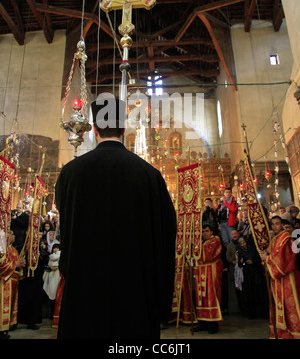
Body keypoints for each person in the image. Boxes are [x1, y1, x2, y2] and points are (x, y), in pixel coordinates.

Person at [55, 97, 177, 339]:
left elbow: (65, 230)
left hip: (84, 293)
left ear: (95, 128)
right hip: (135, 297)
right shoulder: (149, 175)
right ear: (123, 128)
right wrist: (161, 301)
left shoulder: (71, 173)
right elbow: (166, 235)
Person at [260, 216, 300, 339]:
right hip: (277, 279)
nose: (275, 226)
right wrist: (266, 257)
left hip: (288, 278)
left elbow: (284, 259)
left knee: (290, 306)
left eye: (277, 224)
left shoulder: (286, 238)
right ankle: (282, 333)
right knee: (280, 305)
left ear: (282, 224)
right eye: (272, 224)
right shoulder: (275, 239)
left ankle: (294, 333)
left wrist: (266, 258)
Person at [193, 224, 223, 334]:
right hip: (201, 273)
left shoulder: (215, 241)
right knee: (200, 298)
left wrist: (195, 245)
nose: (204, 233)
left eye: (206, 231)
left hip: (211, 272)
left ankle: (213, 324)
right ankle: (202, 322)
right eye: (202, 231)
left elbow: (207, 255)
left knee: (211, 297)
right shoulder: (202, 243)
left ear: (211, 232)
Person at [0, 230, 25, 338]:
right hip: (5, 282)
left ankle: (7, 329)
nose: (14, 236)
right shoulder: (3, 250)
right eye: (12, 234)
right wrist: (16, 264)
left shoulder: (14, 250)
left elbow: (17, 266)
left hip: (14, 282)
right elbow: (2, 266)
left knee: (11, 306)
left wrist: (20, 266)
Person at [236, 236, 268, 319]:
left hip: (256, 273)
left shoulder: (253, 249)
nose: (243, 244)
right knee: (250, 294)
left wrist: (252, 262)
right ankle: (251, 313)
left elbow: (258, 260)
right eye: (241, 243)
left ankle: (262, 312)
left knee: (259, 293)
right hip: (247, 274)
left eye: (244, 242)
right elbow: (240, 264)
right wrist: (243, 263)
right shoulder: (240, 252)